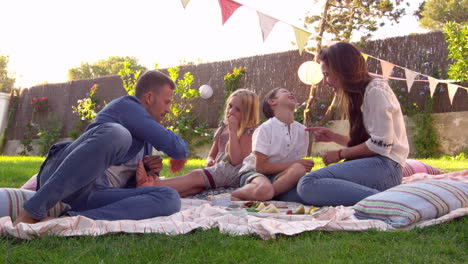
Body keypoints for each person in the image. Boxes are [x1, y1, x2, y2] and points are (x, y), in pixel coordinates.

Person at [14, 70, 189, 224]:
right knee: (118, 134)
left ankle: (69, 220)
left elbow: (126, 183)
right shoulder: (126, 106)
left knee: (170, 197)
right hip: (65, 174)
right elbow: (177, 148)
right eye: (167, 102)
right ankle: (33, 211)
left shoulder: (147, 141)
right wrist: (178, 152)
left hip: (93, 195)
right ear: (149, 97)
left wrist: (146, 177)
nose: (168, 110)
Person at [296, 42, 409, 206]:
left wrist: (340, 154)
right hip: (373, 165)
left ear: (342, 70)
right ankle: (374, 198)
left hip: (386, 168)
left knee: (308, 184)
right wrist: (334, 137)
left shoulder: (376, 90)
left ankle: (389, 203)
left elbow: (381, 145)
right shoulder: (360, 94)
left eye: (327, 74)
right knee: (294, 192)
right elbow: (367, 143)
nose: (326, 81)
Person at [138, 89, 260, 197]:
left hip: (231, 172)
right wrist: (210, 160)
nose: (231, 111)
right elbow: (212, 154)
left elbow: (236, 160)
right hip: (218, 169)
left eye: (237, 109)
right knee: (195, 187)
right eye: (230, 106)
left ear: (248, 114)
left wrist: (233, 132)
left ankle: (154, 184)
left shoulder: (248, 132)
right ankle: (158, 193)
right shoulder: (223, 128)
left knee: (195, 176)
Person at [231, 88, 314, 201]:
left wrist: (303, 165)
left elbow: (295, 165)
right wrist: (295, 163)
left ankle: (267, 194)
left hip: (279, 175)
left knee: (299, 169)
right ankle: (237, 194)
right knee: (266, 188)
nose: (291, 93)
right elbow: (261, 167)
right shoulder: (264, 129)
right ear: (272, 102)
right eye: (285, 91)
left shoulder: (302, 131)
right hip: (254, 172)